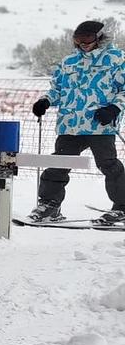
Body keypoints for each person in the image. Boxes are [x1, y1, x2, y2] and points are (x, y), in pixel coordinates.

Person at [31, 19, 125, 224]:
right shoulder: (68, 62)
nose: (83, 43)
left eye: (88, 38)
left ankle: (122, 207)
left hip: (100, 125)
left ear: (99, 37)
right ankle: (49, 206)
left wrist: (114, 108)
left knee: (108, 165)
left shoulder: (116, 59)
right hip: (70, 124)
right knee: (58, 163)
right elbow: (57, 89)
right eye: (78, 39)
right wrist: (45, 101)